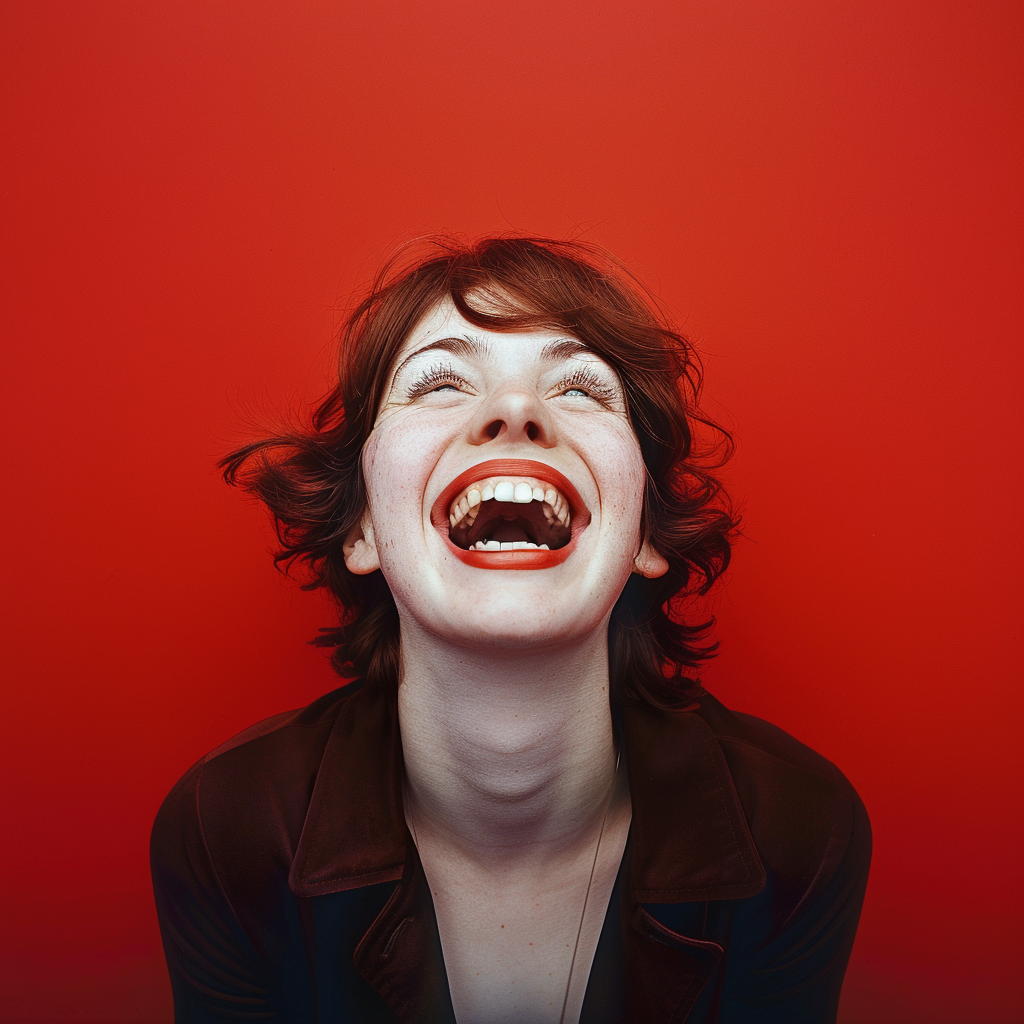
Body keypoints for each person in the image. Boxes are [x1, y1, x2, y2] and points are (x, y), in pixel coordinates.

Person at [150, 236, 871, 1023]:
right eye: (440, 382)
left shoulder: (798, 831)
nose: (515, 410)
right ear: (359, 526)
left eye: (579, 389)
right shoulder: (226, 830)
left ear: (647, 535)